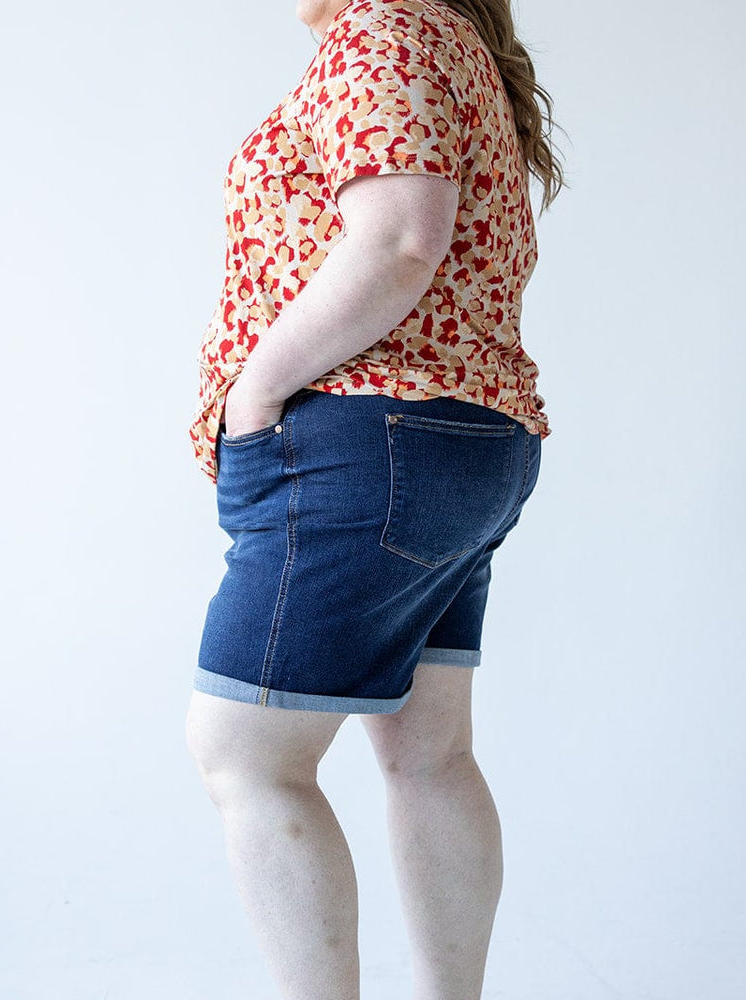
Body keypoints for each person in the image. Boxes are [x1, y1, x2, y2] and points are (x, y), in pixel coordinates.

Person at [184, 1, 566, 997]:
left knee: (244, 754)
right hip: (454, 438)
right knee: (428, 752)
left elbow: (399, 238)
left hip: (367, 437)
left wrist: (255, 390)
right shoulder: (438, 34)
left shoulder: (384, 30)